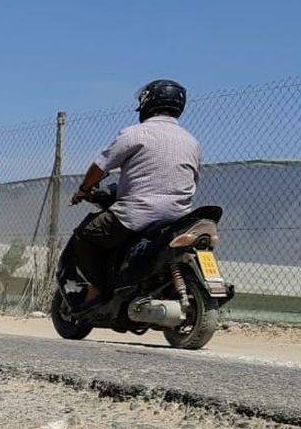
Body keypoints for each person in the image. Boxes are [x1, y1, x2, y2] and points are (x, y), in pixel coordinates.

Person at [65, 80, 202, 306]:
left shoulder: (135, 134)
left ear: (148, 103)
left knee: (86, 235)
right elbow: (193, 180)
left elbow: (101, 166)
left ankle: (96, 290)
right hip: (179, 216)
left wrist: (84, 189)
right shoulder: (191, 141)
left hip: (137, 214)